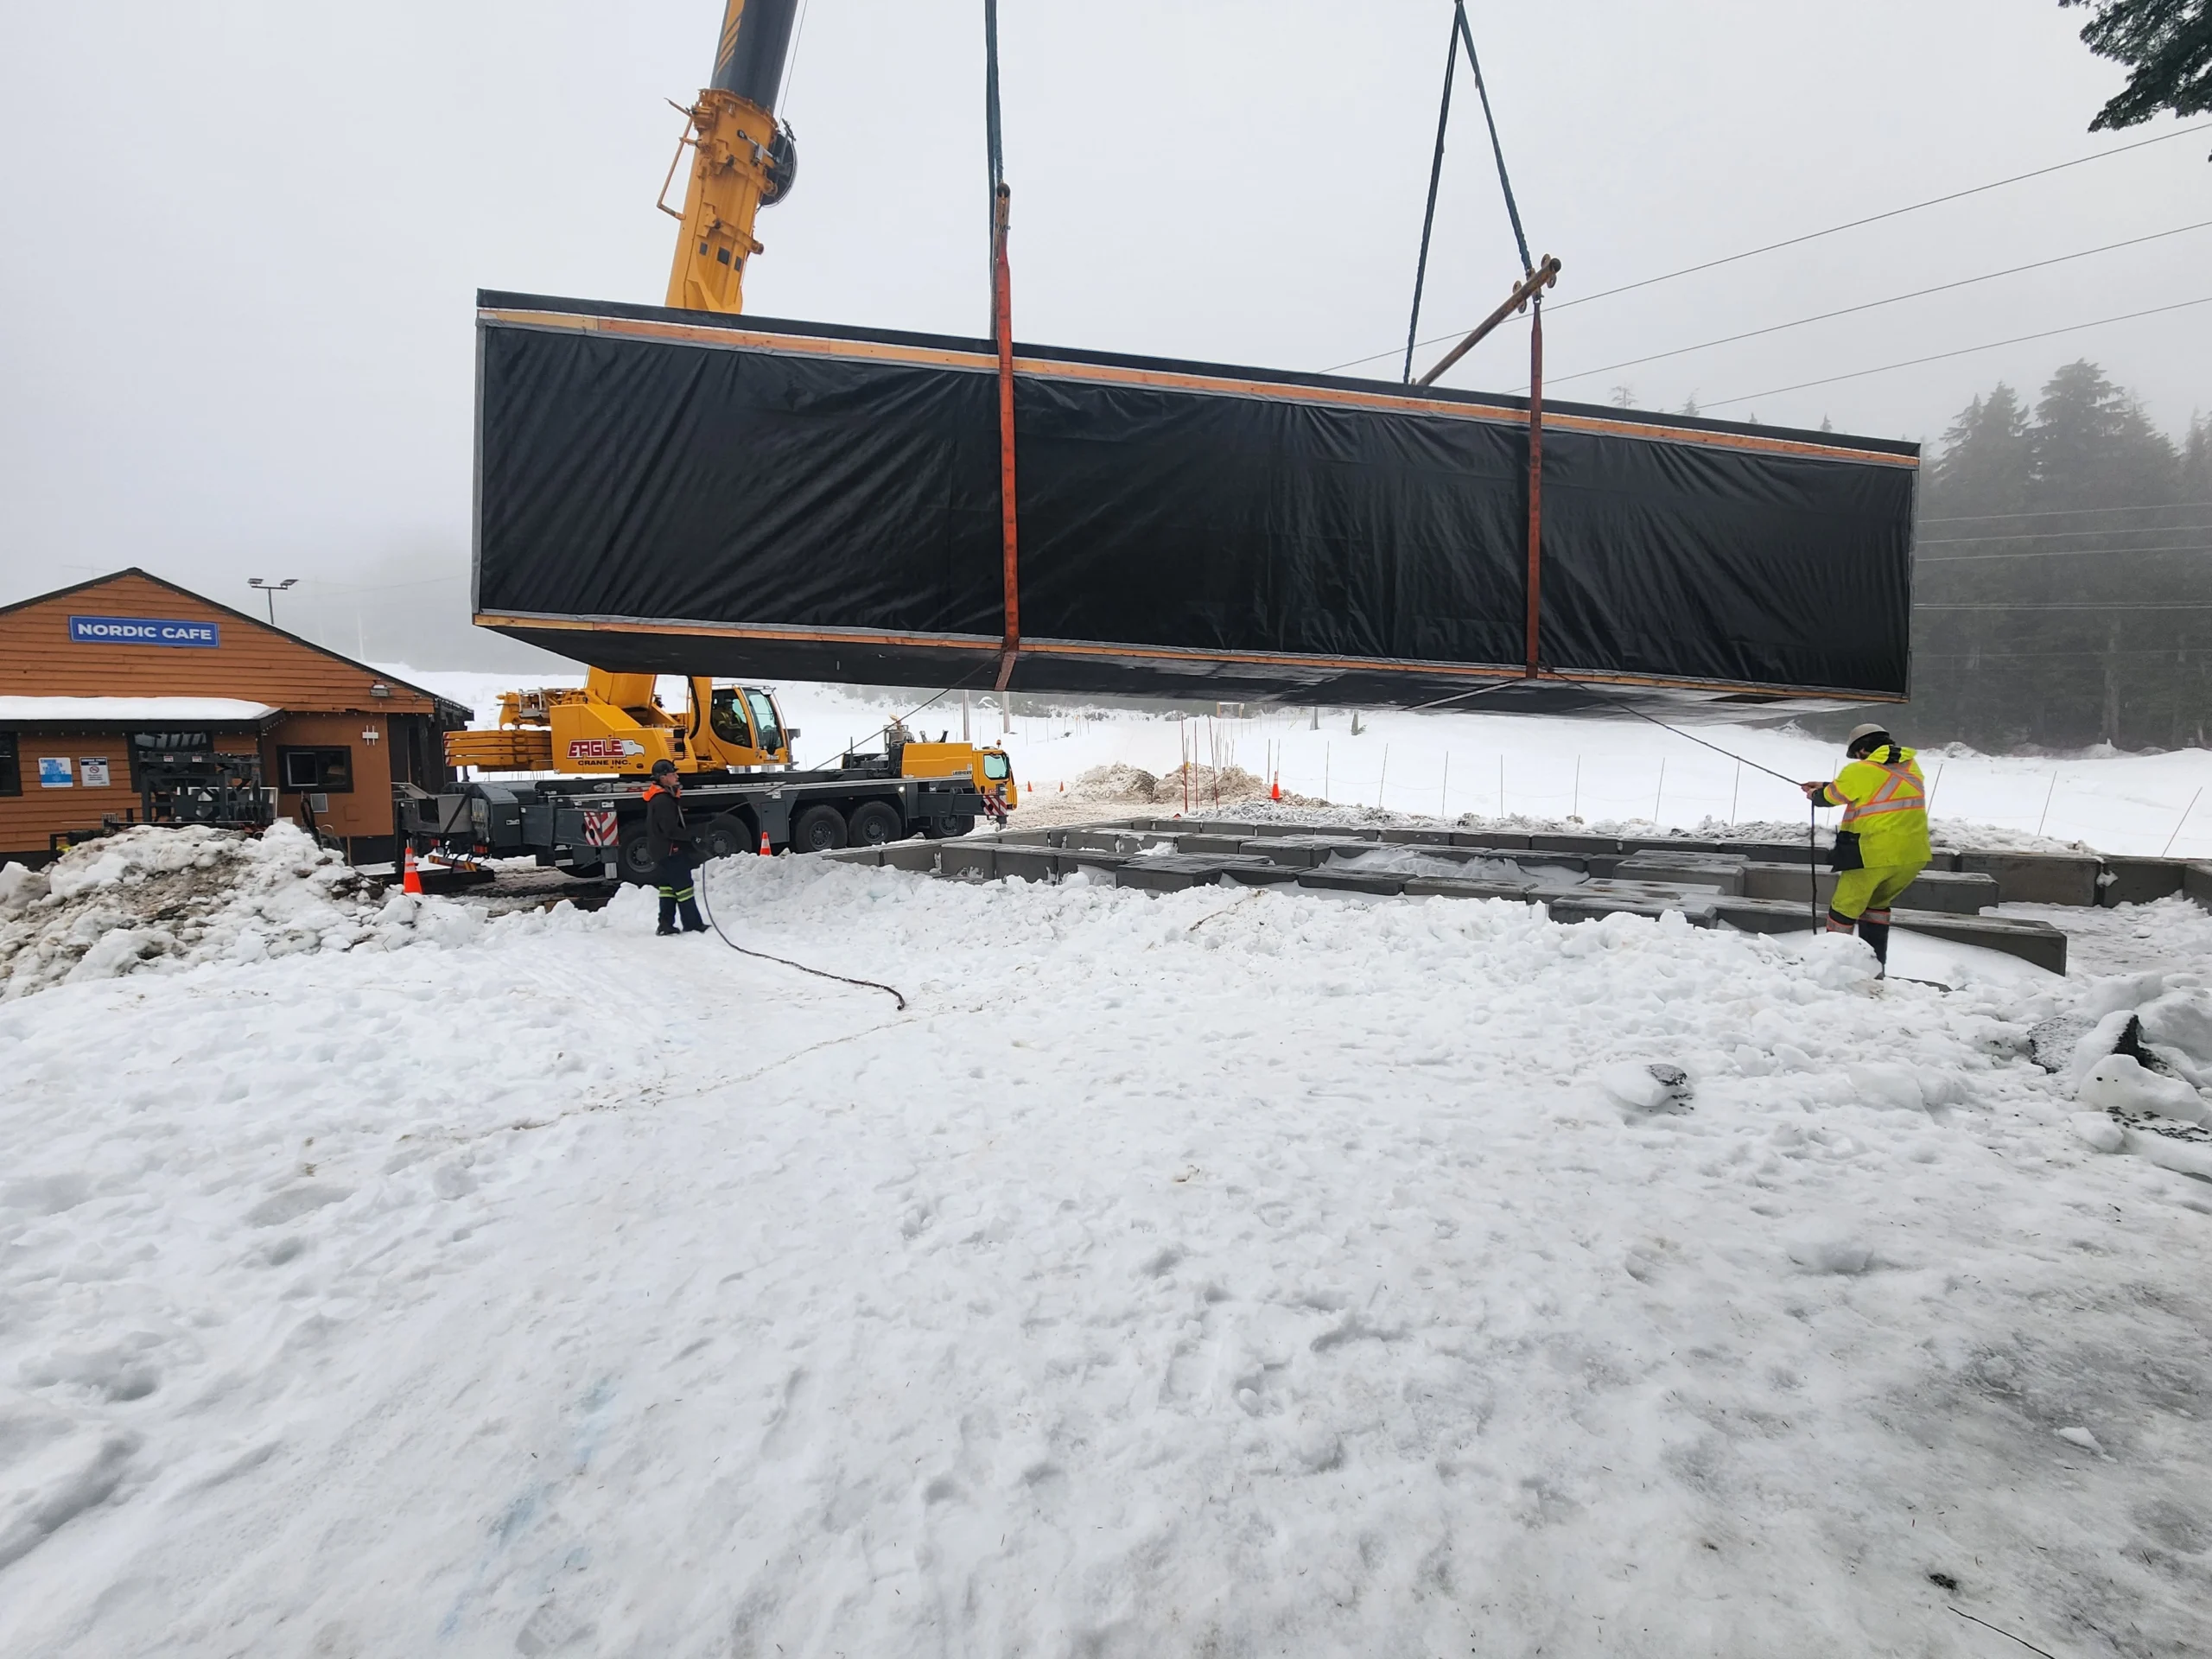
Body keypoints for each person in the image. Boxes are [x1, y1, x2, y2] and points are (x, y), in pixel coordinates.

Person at [1802, 723, 1929, 974]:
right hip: (1911, 856)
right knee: (1876, 908)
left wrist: (1816, 794)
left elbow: (1829, 798)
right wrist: (1827, 784)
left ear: (1861, 749)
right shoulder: (1911, 767)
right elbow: (1875, 787)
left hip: (1872, 854)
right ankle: (1874, 969)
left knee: (1843, 910)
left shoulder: (1859, 770)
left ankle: (1833, 969)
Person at [642, 759, 708, 936]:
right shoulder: (663, 800)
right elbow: (669, 829)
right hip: (670, 851)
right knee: (684, 887)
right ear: (663, 778)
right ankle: (692, 924)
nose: (677, 776)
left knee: (668, 889)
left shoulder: (661, 798)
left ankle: (665, 924)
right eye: (673, 774)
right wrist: (692, 837)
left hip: (660, 850)